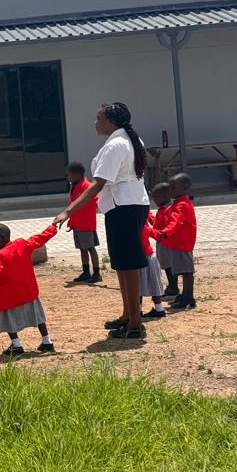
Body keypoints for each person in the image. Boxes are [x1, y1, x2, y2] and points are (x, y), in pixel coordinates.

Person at [54, 102, 150, 340]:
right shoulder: (130, 140)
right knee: (122, 262)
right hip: (131, 203)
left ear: (110, 121)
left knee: (128, 264)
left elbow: (98, 184)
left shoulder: (116, 144)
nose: (95, 122)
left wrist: (68, 211)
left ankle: (135, 322)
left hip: (122, 206)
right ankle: (128, 314)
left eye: (98, 118)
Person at [0, 223, 57, 357]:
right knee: (38, 318)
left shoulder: (1, 255)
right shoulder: (22, 244)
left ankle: (17, 345)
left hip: (10, 295)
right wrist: (53, 227)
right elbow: (39, 238)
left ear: (2, 238)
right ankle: (47, 341)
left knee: (9, 320)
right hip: (28, 291)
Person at [159, 173, 197, 310]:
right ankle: (187, 295)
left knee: (186, 271)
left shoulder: (182, 205)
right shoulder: (178, 203)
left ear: (185, 187)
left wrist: (166, 232)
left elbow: (176, 221)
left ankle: (187, 296)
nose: (171, 191)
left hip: (183, 242)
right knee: (182, 270)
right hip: (178, 242)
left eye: (174, 188)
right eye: (170, 188)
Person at [65, 162, 101, 283]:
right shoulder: (74, 185)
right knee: (82, 248)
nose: (68, 177)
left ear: (77, 174)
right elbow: (72, 205)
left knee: (90, 248)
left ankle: (96, 273)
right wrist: (71, 222)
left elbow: (93, 202)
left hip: (86, 224)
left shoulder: (87, 187)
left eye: (69, 174)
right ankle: (86, 272)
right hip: (77, 224)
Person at [150, 182, 177, 297]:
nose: (154, 200)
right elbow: (155, 223)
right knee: (166, 265)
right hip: (161, 242)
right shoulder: (162, 209)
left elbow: (167, 225)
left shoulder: (169, 209)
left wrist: (161, 233)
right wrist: (149, 215)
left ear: (166, 195)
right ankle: (171, 286)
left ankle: (173, 286)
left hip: (167, 242)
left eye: (156, 197)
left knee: (170, 266)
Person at [139, 215, 166, 318]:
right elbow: (157, 235)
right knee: (154, 284)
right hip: (150, 257)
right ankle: (159, 309)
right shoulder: (144, 226)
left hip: (141, 259)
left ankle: (138, 310)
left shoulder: (135, 226)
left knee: (137, 287)